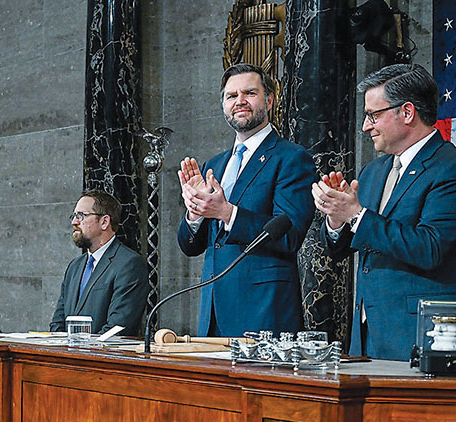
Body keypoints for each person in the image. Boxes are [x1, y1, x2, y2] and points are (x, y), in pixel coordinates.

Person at [314, 64, 456, 360]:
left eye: (373, 115)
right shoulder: (372, 172)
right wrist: (337, 219)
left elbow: (430, 247)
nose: (366, 126)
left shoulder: (448, 166)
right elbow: (344, 248)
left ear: (406, 112)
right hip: (366, 336)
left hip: (417, 335)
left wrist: (356, 215)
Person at [177, 63, 316, 337]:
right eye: (231, 96)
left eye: (250, 93)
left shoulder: (291, 158)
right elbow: (191, 246)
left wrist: (228, 213)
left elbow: (288, 236)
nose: (239, 101)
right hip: (213, 312)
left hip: (263, 313)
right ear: (223, 106)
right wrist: (195, 213)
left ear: (269, 100)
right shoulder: (214, 164)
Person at [50, 190, 148, 335]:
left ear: (104, 222)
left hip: (102, 356)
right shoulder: (74, 266)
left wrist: (82, 350)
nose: (74, 222)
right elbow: (58, 322)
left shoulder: (129, 264)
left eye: (81, 216)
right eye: (74, 216)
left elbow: (118, 327)